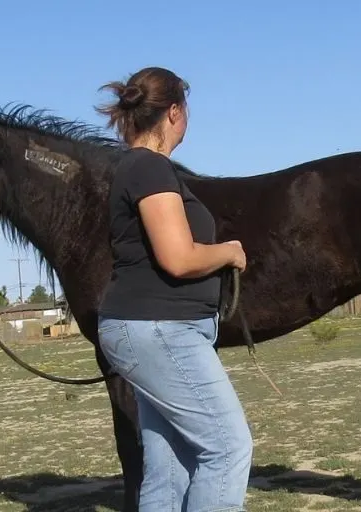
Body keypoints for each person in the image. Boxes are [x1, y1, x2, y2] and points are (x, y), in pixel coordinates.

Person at [94, 66, 253, 511]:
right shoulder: (149, 168)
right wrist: (229, 252)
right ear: (175, 112)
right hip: (162, 331)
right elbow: (178, 258)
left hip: (153, 330)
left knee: (170, 469)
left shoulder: (136, 168)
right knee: (227, 447)